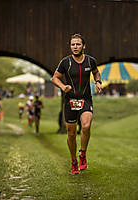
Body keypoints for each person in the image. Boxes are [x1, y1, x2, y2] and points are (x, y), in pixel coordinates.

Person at [52, 33, 103, 175]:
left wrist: (98, 82)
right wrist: (63, 87)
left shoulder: (90, 61)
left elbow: (96, 72)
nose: (75, 47)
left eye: (78, 44)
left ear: (83, 46)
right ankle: (73, 160)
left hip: (85, 99)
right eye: (73, 44)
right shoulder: (65, 62)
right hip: (70, 101)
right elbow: (54, 78)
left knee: (86, 126)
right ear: (70, 46)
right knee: (71, 134)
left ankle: (83, 154)